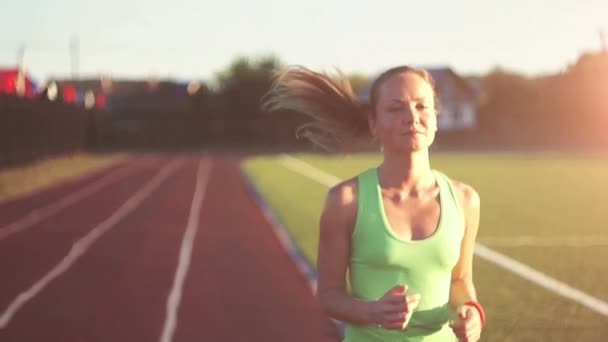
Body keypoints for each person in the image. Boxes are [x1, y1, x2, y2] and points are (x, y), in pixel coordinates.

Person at [262, 65, 485, 341]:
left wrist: (471, 311)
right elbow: (329, 295)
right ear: (373, 124)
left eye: (421, 106)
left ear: (436, 119)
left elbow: (460, 280)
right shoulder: (345, 201)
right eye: (396, 108)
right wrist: (373, 312)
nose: (411, 117)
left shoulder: (465, 200)